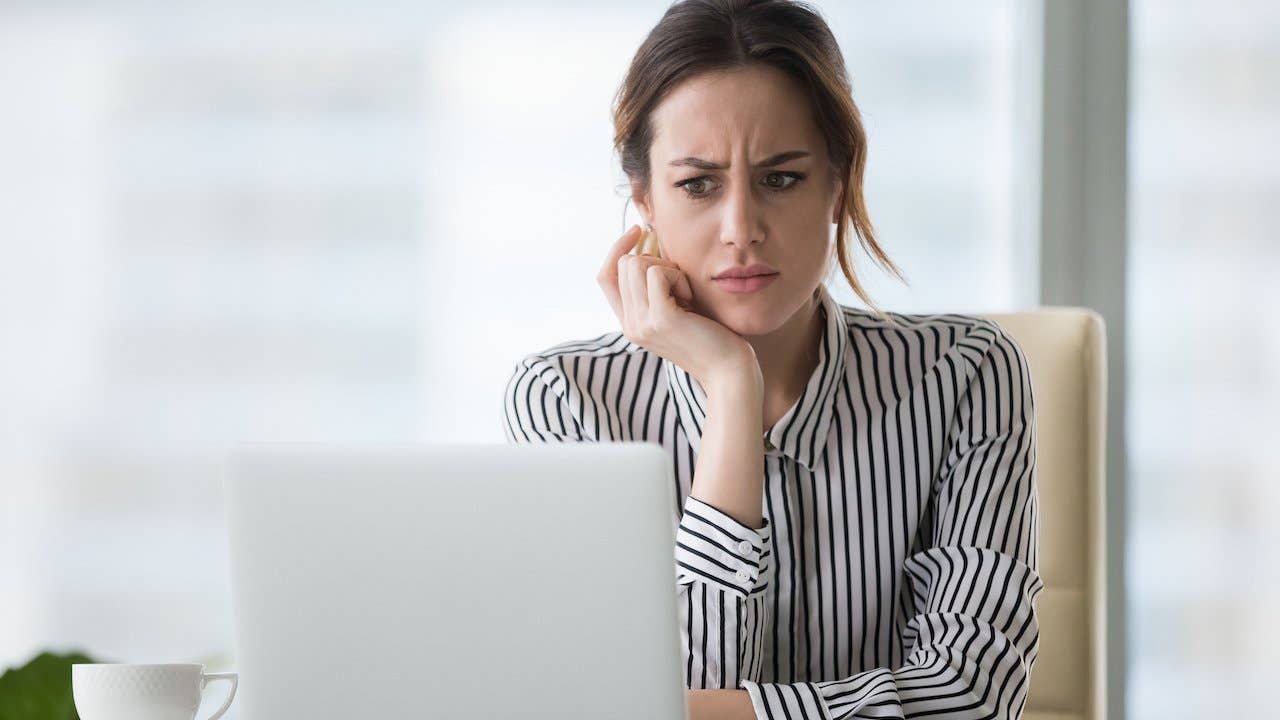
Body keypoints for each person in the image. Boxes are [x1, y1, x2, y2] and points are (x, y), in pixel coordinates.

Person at [501, 1, 1043, 719]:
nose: (741, 230)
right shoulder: (563, 400)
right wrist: (730, 392)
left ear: (838, 184)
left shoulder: (968, 374)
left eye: (780, 178)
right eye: (697, 184)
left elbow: (969, 698)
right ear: (645, 201)